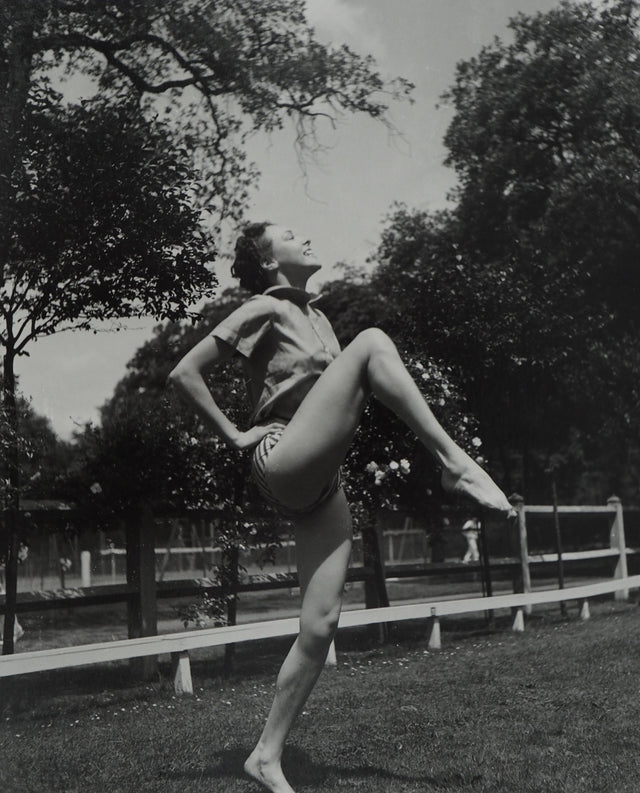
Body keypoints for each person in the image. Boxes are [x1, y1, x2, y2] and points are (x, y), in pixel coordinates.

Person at [168, 220, 515, 793]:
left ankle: (265, 755)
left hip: (320, 486)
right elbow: (185, 371)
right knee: (375, 341)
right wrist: (232, 435)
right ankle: (454, 463)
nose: (306, 237)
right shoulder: (263, 308)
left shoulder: (322, 321)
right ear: (268, 259)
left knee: (321, 624)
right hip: (280, 457)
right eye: (289, 234)